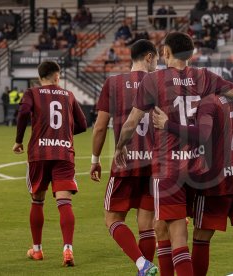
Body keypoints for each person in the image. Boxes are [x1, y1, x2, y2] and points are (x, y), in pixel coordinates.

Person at [113, 32, 233, 276]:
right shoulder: (205, 77)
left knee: (175, 234)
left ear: (165, 52)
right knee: (171, 229)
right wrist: (223, 91)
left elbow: (131, 123)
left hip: (169, 169)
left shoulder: (153, 80)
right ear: (191, 54)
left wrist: (120, 146)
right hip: (200, 170)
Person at [152, 93, 233, 275]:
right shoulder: (232, 100)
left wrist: (168, 125)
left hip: (216, 181)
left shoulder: (207, 102)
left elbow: (202, 135)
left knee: (201, 237)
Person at [90, 40, 159, 276]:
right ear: (149, 57)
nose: (157, 64)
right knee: (146, 226)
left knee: (112, 219)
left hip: (125, 163)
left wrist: (95, 159)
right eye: (157, 59)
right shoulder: (159, 84)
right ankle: (146, 268)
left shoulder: (113, 83)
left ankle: (142, 264)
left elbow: (99, 127)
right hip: (154, 164)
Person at [12, 61, 87, 266]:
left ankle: (37, 250)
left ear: (40, 77)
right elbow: (83, 124)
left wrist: (19, 140)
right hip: (63, 153)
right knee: (64, 203)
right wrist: (63, 134)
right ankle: (68, 250)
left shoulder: (32, 92)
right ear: (57, 76)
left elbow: (23, 113)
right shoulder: (69, 96)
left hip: (39, 153)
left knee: (37, 200)